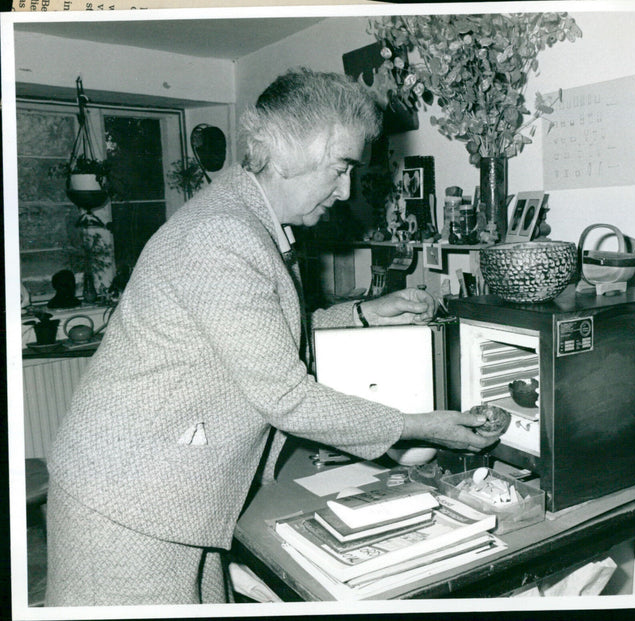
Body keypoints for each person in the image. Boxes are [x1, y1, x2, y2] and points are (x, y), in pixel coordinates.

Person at [45, 69, 503, 606]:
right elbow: (286, 396)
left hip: (173, 488)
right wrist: (423, 427)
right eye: (341, 168)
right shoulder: (223, 234)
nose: (346, 189)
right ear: (287, 149)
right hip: (128, 498)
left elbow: (253, 336)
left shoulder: (243, 220)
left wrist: (361, 314)